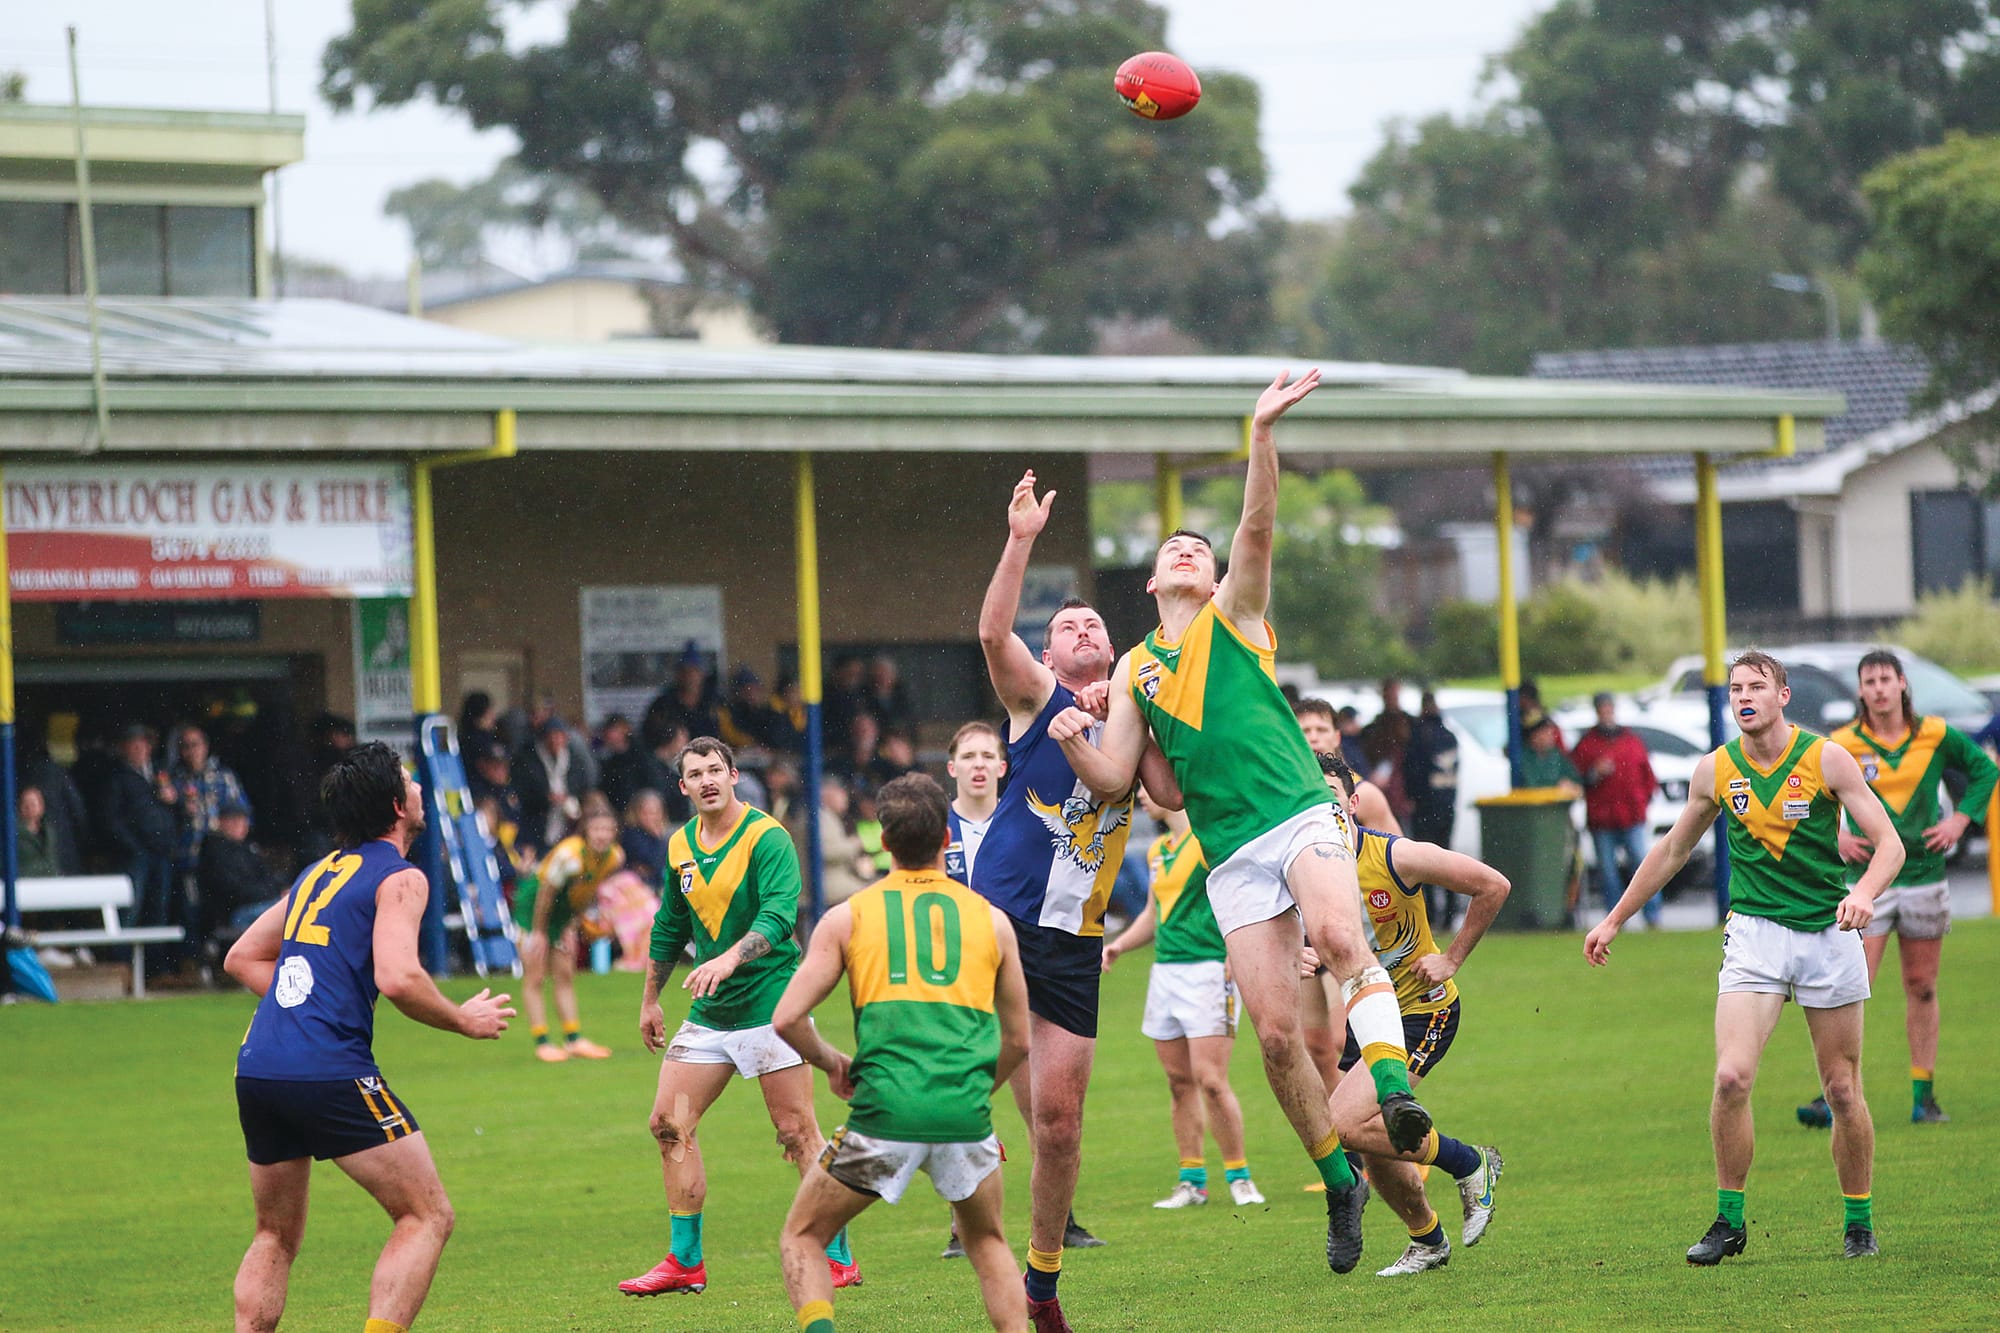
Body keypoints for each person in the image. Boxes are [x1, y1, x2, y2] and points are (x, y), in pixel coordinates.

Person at [1050, 370, 1447, 1277]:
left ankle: (1392, 1086)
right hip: (1230, 852)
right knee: (1273, 1036)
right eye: (1174, 548)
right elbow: (1129, 780)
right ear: (1150, 580)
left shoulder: (1236, 615)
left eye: (1201, 545)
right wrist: (1077, 734)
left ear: (1218, 573)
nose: (1190, 550)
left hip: (1298, 809)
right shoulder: (1140, 671)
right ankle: (1337, 1179)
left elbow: (1257, 525)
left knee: (1344, 937)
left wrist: (1260, 432)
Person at [1585, 650, 1905, 1264]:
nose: (1744, 697)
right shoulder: (1716, 769)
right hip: (1754, 933)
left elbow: (1888, 845)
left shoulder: (1825, 758)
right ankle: (1729, 1221)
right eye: (1735, 689)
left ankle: (1859, 1221)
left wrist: (1863, 894)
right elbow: (1673, 851)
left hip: (1827, 929)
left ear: (1784, 695)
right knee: (1731, 1078)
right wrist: (1614, 918)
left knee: (1841, 1089)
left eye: (1757, 687)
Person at [968, 469, 1174, 1319]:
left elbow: (1166, 793)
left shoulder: (1135, 710)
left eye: (1093, 621)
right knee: (951, 1082)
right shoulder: (1033, 696)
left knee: (1057, 1122)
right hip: (1000, 923)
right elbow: (989, 634)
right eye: (1064, 626)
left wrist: (1133, 700)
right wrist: (1020, 540)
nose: (1081, 627)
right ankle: (847, 1180)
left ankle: (1042, 1281)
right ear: (1047, 655)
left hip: (1075, 946)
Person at [224, 741, 515, 1333]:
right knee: (426, 1215)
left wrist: (302, 1002)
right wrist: (463, 1019)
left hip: (259, 1068)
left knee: (274, 1233)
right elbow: (399, 977)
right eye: (410, 781)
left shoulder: (317, 873)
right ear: (396, 805)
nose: (418, 789)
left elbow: (241, 957)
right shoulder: (400, 878)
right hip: (327, 1071)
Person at [771, 773, 1031, 1333]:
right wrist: (971, 1089)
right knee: (987, 1242)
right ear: (946, 838)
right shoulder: (992, 921)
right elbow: (1019, 1040)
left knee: (803, 1236)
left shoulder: (847, 917)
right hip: (965, 1114)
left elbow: (788, 1018)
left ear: (882, 842)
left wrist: (833, 1062)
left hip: (885, 1114)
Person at [620, 738, 860, 1296]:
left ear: (732, 775)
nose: (706, 781)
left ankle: (839, 1255)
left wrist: (728, 958)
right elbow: (669, 925)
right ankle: (685, 1262)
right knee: (668, 1124)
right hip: (711, 1013)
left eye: (714, 771)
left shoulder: (767, 837)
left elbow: (780, 914)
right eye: (694, 774)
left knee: (796, 1132)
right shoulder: (679, 844)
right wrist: (650, 998)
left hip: (774, 1008)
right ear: (681, 787)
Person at [1316, 750, 1510, 1276]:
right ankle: (1427, 1239)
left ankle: (1469, 1164)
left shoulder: (1395, 857)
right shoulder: (1307, 872)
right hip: (1366, 1014)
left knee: (1342, 1125)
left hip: (1422, 1013)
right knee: (1375, 1147)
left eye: (1330, 797)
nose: (1321, 810)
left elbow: (1493, 884)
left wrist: (1451, 958)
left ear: (1353, 804)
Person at [1796, 649, 1999, 1129]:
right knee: (1849, 985)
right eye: (1870, 681)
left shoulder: (1934, 734)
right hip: (1867, 884)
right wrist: (1837, 836)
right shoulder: (1842, 743)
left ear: (1902, 683)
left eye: (1886, 679)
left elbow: (1986, 770)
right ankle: (1835, 1092)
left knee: (1922, 986)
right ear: (1861, 690)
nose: (1879, 689)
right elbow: (1801, 794)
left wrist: (1961, 820)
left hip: (1925, 876)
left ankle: (1923, 1095)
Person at [1102, 787, 1265, 1212]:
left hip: (1210, 970)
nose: (1140, 792)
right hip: (1166, 974)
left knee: (1212, 1080)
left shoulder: (1208, 841)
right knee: (1178, 1083)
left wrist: (1237, 949)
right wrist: (1119, 946)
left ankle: (1240, 1176)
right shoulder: (1158, 850)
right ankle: (1191, 1180)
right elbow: (1155, 915)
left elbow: (1239, 896)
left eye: (1147, 785)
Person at [516, 798, 622, 1062]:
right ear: (586, 830)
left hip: (562, 912)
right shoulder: (569, 855)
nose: (602, 835)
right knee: (536, 974)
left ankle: (573, 1038)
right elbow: (546, 892)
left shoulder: (614, 858)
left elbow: (586, 889)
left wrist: (571, 923)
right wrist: (539, 932)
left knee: (565, 972)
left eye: (607, 830)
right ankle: (542, 1041)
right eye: (597, 829)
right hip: (534, 909)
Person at [1570, 693, 1660, 926]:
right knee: (1608, 874)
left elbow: (1647, 776)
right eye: (1603, 708)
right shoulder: (1588, 744)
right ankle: (1615, 920)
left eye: (1609, 708)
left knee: (1643, 867)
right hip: (1603, 820)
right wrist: (1593, 774)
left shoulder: (1631, 740)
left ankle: (1652, 916)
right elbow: (1576, 779)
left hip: (1632, 816)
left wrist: (1642, 802)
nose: (1607, 712)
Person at [102, 723, 181, 975]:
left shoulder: (160, 775)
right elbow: (110, 820)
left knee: (159, 910)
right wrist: (133, 847)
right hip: (137, 856)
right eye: (133, 743)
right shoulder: (117, 779)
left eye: (143, 743)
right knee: (130, 912)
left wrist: (174, 802)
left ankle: (156, 969)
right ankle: (122, 967)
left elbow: (175, 814)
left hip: (162, 853)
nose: (139, 748)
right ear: (124, 748)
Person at [196, 800, 287, 950]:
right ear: (221, 822)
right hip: (234, 914)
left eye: (243, 819)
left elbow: (268, 877)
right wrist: (273, 894)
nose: (241, 824)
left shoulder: (248, 849)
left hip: (260, 903)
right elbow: (233, 892)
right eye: (235, 819)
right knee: (284, 913)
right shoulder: (215, 852)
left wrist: (281, 890)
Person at [946, 721, 1005, 885]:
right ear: (952, 768)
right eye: (968, 756)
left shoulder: (1019, 822)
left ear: (1002, 768)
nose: (979, 764)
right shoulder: (937, 826)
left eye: (988, 756)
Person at [15, 785, 60, 879]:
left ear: (41, 806)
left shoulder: (49, 833)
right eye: (26, 804)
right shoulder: (13, 835)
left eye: (33, 804)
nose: (29, 808)